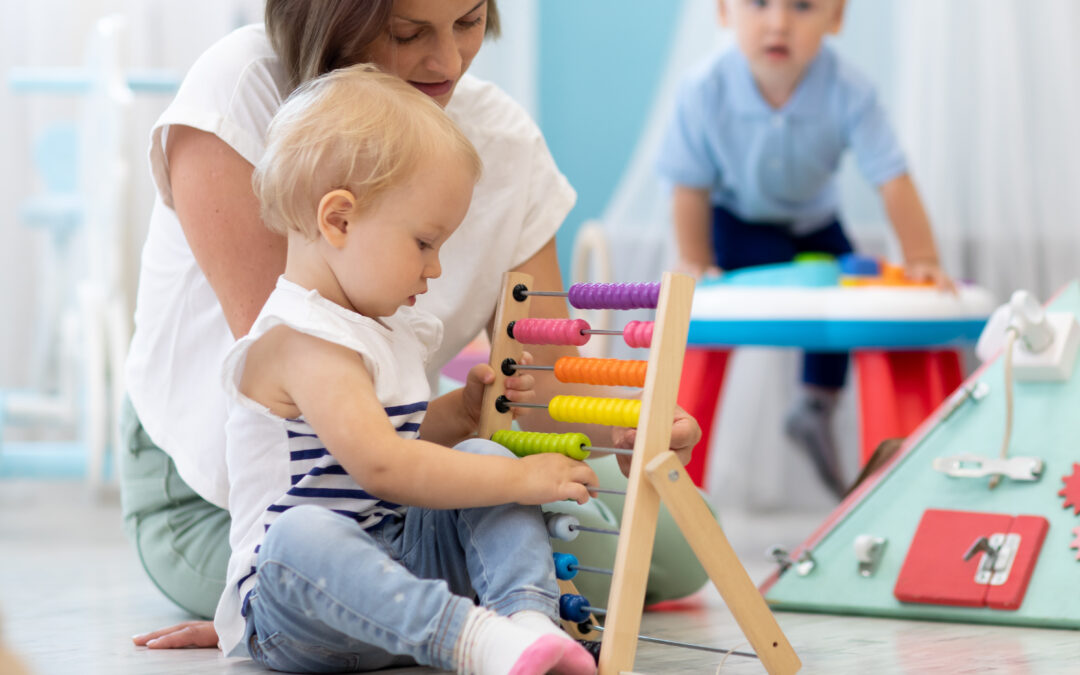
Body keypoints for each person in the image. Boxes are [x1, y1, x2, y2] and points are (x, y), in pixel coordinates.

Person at [124, 0, 708, 649]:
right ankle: (456, 629)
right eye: (409, 33)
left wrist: (630, 423)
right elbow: (342, 432)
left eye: (469, 21)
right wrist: (515, 481)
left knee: (679, 541)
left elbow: (531, 384)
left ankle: (518, 620)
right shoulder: (242, 94)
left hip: (395, 473)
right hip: (238, 494)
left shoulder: (500, 140)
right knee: (344, 542)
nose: (450, 61)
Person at [211, 63, 597, 674]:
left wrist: (460, 415)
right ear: (338, 220)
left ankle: (528, 624)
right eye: (424, 243)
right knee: (300, 536)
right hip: (298, 612)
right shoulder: (300, 340)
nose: (435, 268)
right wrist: (527, 482)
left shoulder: (381, 330)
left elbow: (402, 437)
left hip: (392, 580)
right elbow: (384, 465)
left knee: (485, 457)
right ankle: (475, 641)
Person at [655, 0, 951, 498]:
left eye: (803, 6)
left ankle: (817, 404)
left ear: (836, 19)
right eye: (759, 4)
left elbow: (892, 177)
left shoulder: (850, 90)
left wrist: (923, 258)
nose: (778, 22)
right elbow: (688, 185)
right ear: (725, 12)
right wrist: (695, 255)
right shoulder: (704, 88)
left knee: (844, 291)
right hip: (737, 219)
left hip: (815, 221)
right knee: (778, 278)